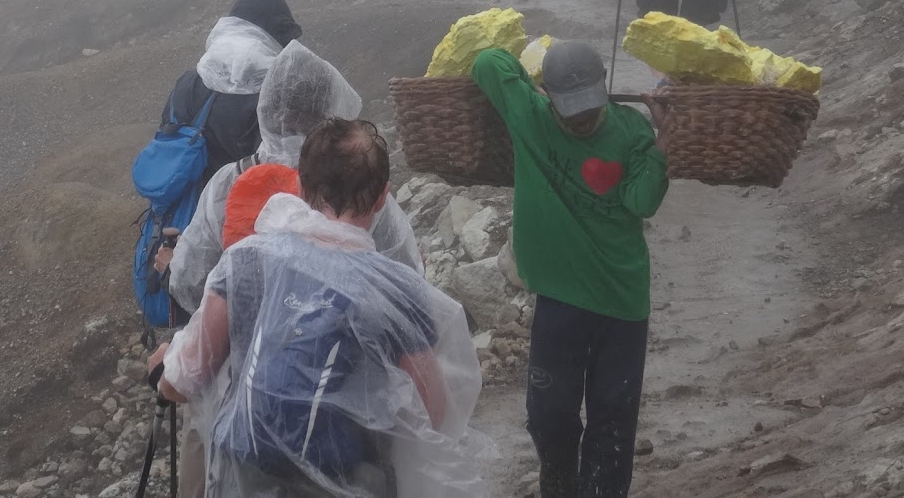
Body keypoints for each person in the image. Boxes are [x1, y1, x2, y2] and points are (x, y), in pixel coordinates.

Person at [150, 119, 483, 498]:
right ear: (381, 197)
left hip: (244, 472)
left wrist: (164, 366)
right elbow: (432, 412)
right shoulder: (396, 289)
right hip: (347, 479)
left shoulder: (246, 259)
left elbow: (187, 376)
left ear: (301, 187)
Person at [162, 42, 422, 498]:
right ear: (331, 114)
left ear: (267, 107)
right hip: (345, 419)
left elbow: (187, 284)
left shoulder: (230, 183)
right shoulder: (369, 200)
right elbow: (409, 294)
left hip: (239, 411)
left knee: (204, 456)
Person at [471, 41, 670, 498]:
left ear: (605, 87)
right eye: (569, 107)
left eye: (589, 105)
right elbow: (487, 61)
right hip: (560, 300)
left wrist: (663, 144)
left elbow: (641, 202)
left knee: (613, 419)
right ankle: (558, 485)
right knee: (549, 414)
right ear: (547, 94)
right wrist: (529, 85)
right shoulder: (530, 115)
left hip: (621, 299)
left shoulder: (631, 130)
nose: (580, 119)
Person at [161, 0, 303, 186]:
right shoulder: (273, 96)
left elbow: (168, 138)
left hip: (184, 208)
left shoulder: (189, 83)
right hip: (239, 210)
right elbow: (280, 170)